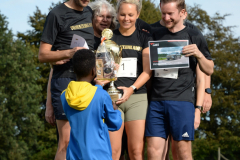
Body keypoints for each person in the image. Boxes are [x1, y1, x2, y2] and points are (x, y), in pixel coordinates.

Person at [145, 0, 214, 159]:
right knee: (153, 152)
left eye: (170, 14)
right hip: (156, 100)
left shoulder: (194, 34)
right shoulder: (153, 32)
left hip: (182, 101)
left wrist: (198, 54)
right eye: (163, 13)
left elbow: (209, 69)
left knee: (182, 153)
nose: (166, 18)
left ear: (183, 13)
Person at [38, 0, 94, 159]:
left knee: (85, 140)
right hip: (65, 81)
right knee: (67, 141)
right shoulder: (56, 14)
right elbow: (42, 55)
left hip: (88, 83)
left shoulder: (90, 12)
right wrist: (69, 53)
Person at [107, 0, 152, 159]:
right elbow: (101, 71)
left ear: (138, 15)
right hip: (112, 98)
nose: (126, 18)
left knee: (136, 152)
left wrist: (131, 89)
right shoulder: (109, 36)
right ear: (117, 15)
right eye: (122, 14)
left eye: (131, 15)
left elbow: (147, 71)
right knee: (113, 152)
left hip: (137, 98)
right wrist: (108, 70)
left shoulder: (144, 37)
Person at [60, 49, 122, 160]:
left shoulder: (64, 95)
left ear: (74, 70)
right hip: (99, 155)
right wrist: (115, 109)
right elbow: (115, 124)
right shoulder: (101, 95)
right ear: (94, 71)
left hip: (74, 155)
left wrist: (98, 87)